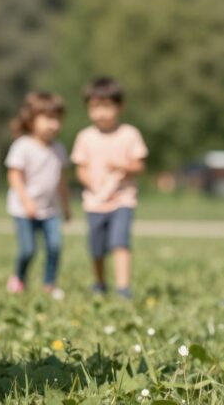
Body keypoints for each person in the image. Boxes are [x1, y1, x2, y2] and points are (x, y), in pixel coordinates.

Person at [70, 77, 147, 299]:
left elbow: (139, 164)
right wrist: (92, 184)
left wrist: (123, 165)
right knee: (96, 248)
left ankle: (123, 288)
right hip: (95, 202)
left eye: (106, 107)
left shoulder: (129, 134)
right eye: (95, 107)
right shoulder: (85, 137)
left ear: (119, 107)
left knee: (120, 242)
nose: (101, 113)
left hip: (123, 200)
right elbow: (80, 168)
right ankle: (100, 283)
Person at [4, 92, 70, 299]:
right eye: (47, 118)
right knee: (28, 249)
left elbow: (61, 181)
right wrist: (26, 202)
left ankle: (49, 284)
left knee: (55, 246)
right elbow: (14, 176)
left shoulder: (59, 149)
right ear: (31, 120)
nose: (53, 124)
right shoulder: (23, 145)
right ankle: (19, 278)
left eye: (57, 119)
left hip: (50, 210)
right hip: (24, 210)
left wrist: (66, 207)